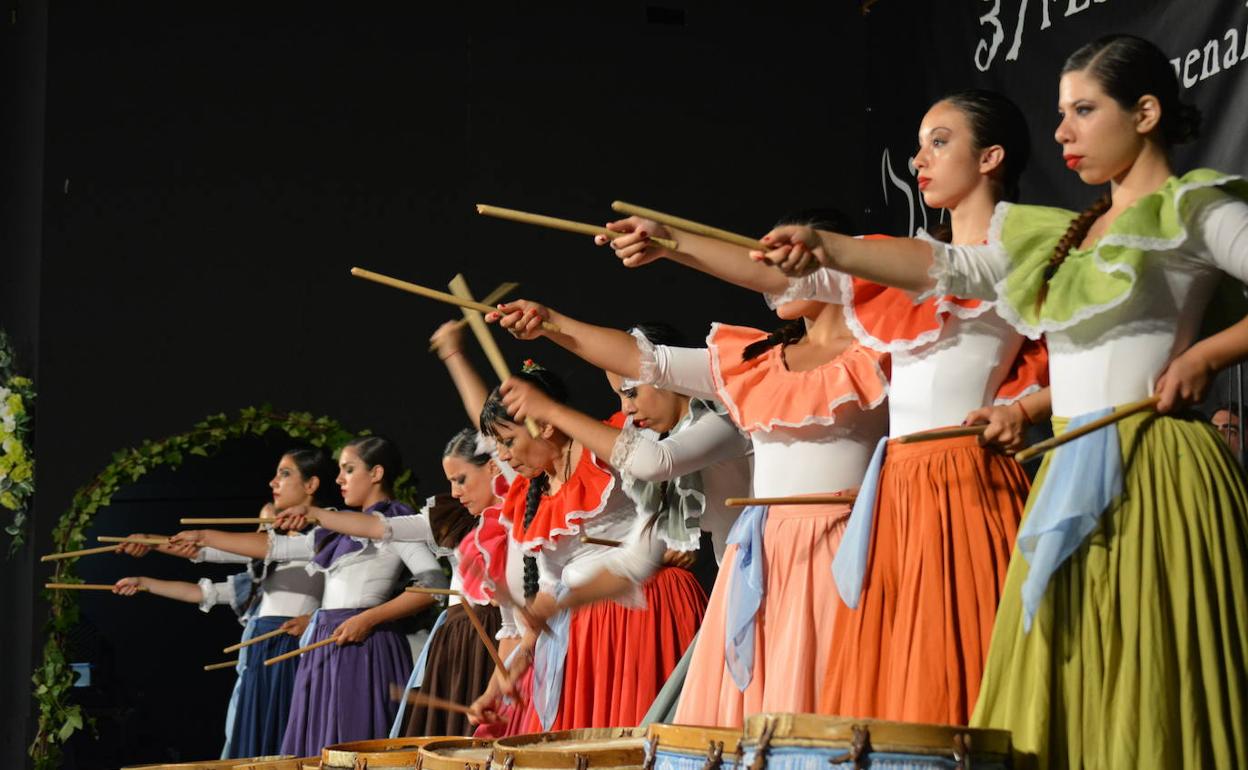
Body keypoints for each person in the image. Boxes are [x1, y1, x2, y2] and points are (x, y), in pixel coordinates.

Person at [753, 34, 1248, 769]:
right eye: (1060, 113)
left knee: (1146, 659)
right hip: (1066, 470)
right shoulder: (1065, 236)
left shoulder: (1194, 208)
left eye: (1084, 110)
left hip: (1153, 468)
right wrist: (832, 247)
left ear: (1145, 112)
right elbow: (947, 264)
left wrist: (1208, 353)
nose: (1062, 133)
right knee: (1060, 665)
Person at [595, 98, 1045, 725]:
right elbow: (780, 280)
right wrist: (670, 243)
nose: (918, 159)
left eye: (939, 142)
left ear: (992, 157)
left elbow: (951, 270)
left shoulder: (1015, 252)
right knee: (891, 681)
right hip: (897, 493)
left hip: (964, 480)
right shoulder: (899, 268)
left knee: (960, 668)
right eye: (919, 143)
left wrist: (828, 247)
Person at [488, 270, 889, 726]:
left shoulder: (724, 418)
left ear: (670, 378)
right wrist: (555, 609)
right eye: (619, 397)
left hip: (805, 568)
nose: (627, 409)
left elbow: (655, 461)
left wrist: (554, 408)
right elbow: (637, 559)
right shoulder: (666, 451)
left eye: (632, 392)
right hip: (743, 585)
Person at [172, 436, 446, 756]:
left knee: (355, 740)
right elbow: (273, 547)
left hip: (364, 644)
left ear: (376, 473)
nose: (340, 478)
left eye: (349, 469)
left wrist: (369, 618)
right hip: (327, 641)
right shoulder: (339, 528)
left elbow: (434, 584)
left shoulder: (397, 523)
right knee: (319, 744)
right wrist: (203, 537)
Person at [469, 363, 706, 732]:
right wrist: (502, 684)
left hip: (644, 608)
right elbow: (548, 597)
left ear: (545, 425)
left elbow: (666, 487)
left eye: (509, 441)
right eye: (498, 446)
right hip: (586, 628)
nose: (505, 456)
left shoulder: (604, 448)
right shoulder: (533, 494)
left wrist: (675, 545)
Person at [275, 431, 508, 737]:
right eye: (450, 481)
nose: (454, 491)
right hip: (458, 634)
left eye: (461, 479)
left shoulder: (518, 517)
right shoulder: (453, 517)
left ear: (493, 467)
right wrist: (315, 514)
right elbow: (378, 526)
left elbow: (432, 580)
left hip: (500, 634)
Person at [115, 448, 332, 758]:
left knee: (286, 743)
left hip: (290, 649)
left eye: (285, 474)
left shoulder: (324, 535)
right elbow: (207, 560)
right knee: (255, 745)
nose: (273, 482)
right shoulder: (268, 561)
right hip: (261, 646)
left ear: (311, 485)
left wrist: (201, 536)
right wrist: (151, 544)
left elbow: (257, 547)